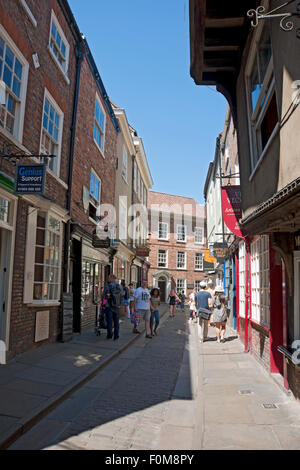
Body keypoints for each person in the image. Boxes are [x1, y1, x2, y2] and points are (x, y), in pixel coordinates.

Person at [103, 274, 124, 340]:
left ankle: (109, 335)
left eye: (109, 278)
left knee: (109, 321)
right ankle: (116, 335)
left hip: (108, 305)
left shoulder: (107, 286)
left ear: (112, 278)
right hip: (117, 306)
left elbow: (104, 296)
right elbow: (122, 295)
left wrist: (103, 304)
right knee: (116, 321)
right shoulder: (120, 286)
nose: (108, 279)